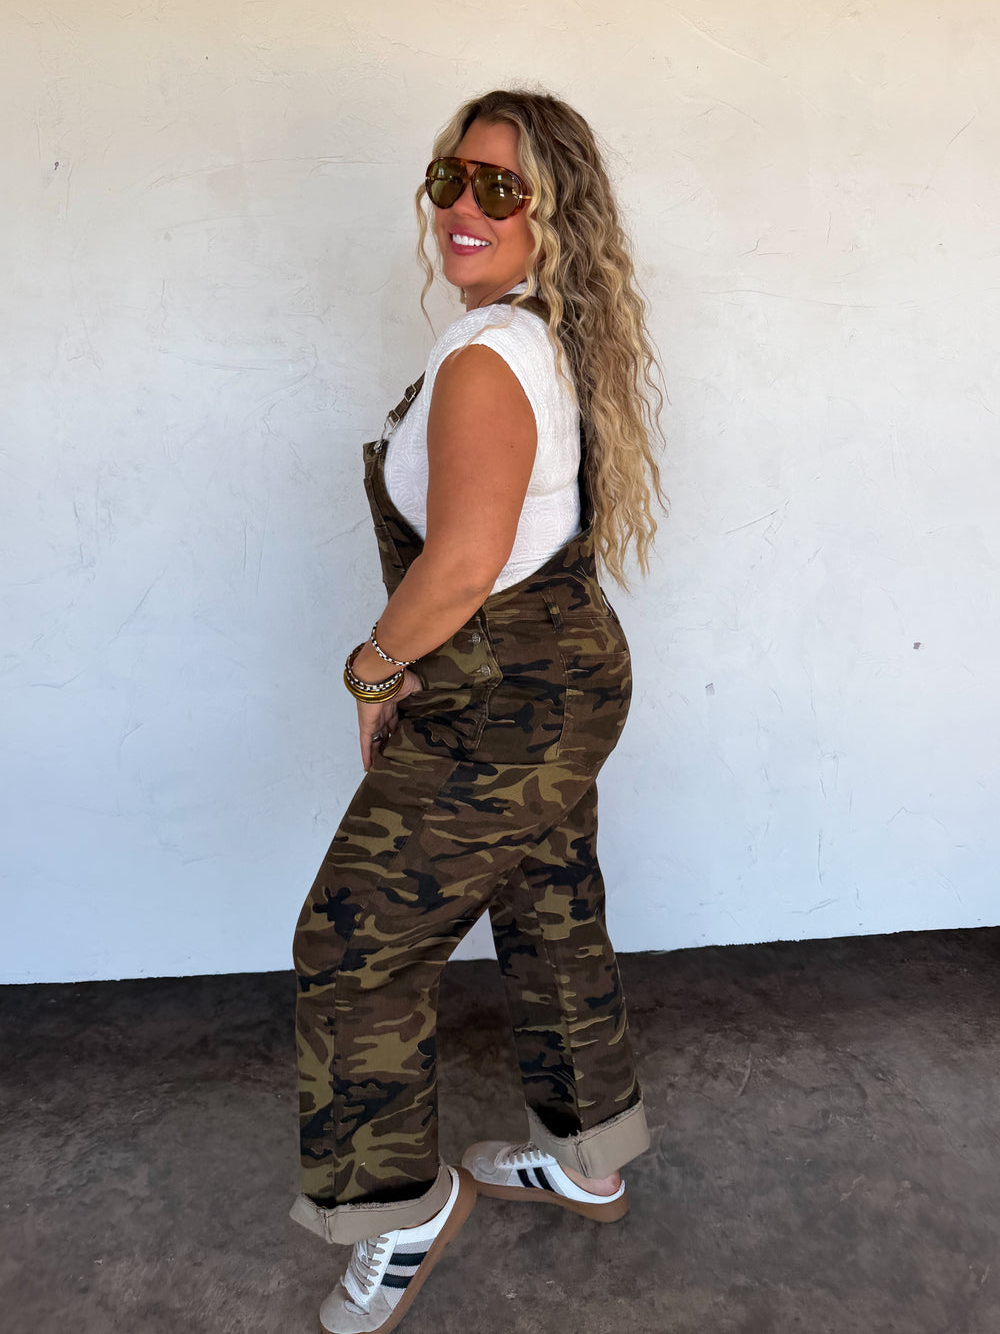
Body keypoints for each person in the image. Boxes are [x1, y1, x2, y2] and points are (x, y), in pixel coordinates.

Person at [290, 88, 667, 1334]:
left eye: (498, 188)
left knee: (352, 945)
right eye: (450, 178)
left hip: (503, 698)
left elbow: (459, 565)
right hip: (561, 678)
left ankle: (397, 1213)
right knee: (549, 906)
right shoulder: (534, 337)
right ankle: (587, 1157)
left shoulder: (487, 358)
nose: (462, 205)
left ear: (551, 212)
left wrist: (373, 668)